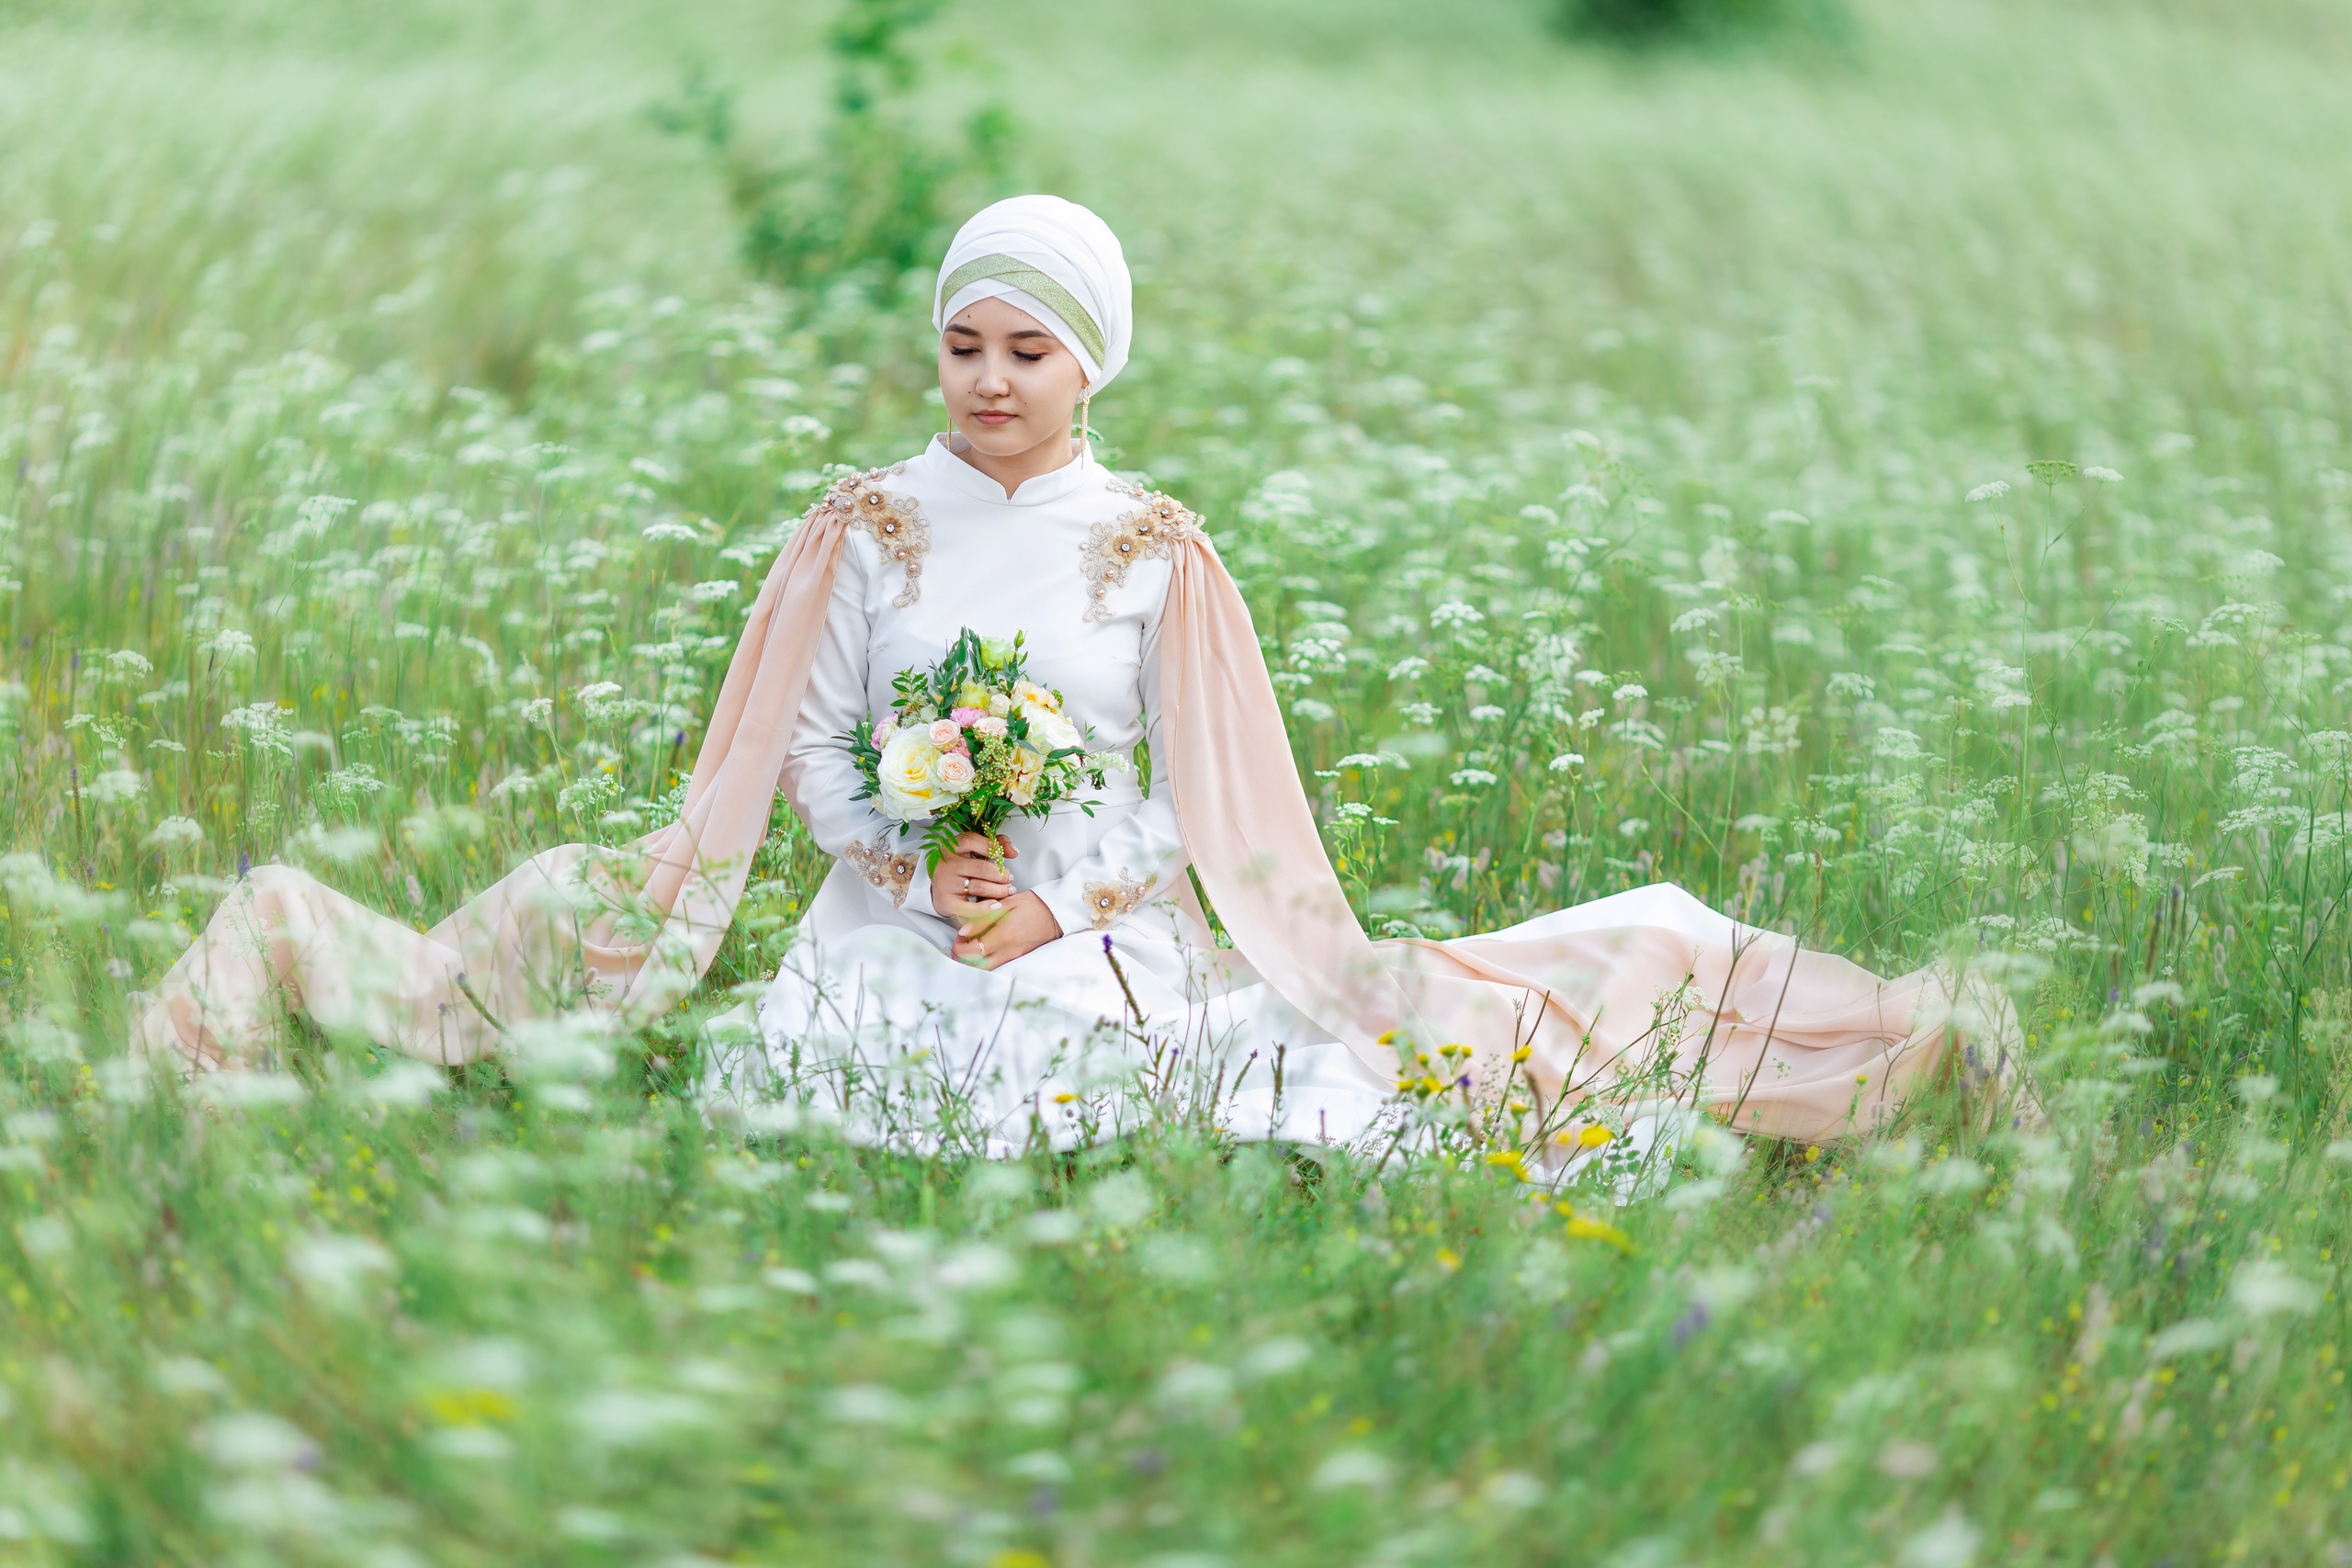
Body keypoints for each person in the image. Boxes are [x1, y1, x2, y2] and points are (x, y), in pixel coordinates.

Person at [133, 196, 2025, 1165]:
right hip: (891, 919)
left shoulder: (1154, 548)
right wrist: (903, 856)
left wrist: (1054, 898)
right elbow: (807, 745)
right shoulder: (862, 525)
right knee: (842, 1082)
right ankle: (284, 969)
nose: (987, 378)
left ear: (1089, 360)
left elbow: (1192, 805)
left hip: (1092, 927)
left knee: (1259, 1080)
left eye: (1025, 349)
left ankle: (1829, 1033)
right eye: (963, 343)